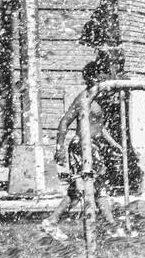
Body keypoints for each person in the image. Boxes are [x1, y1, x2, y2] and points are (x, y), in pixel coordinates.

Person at [45, 61, 134, 241]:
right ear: (95, 77)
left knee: (99, 188)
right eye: (105, 74)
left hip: (92, 147)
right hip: (81, 147)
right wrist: (59, 148)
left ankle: (113, 226)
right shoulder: (84, 98)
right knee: (80, 190)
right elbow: (64, 122)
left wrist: (115, 145)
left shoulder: (97, 98)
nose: (109, 77)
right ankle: (51, 222)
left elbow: (99, 128)